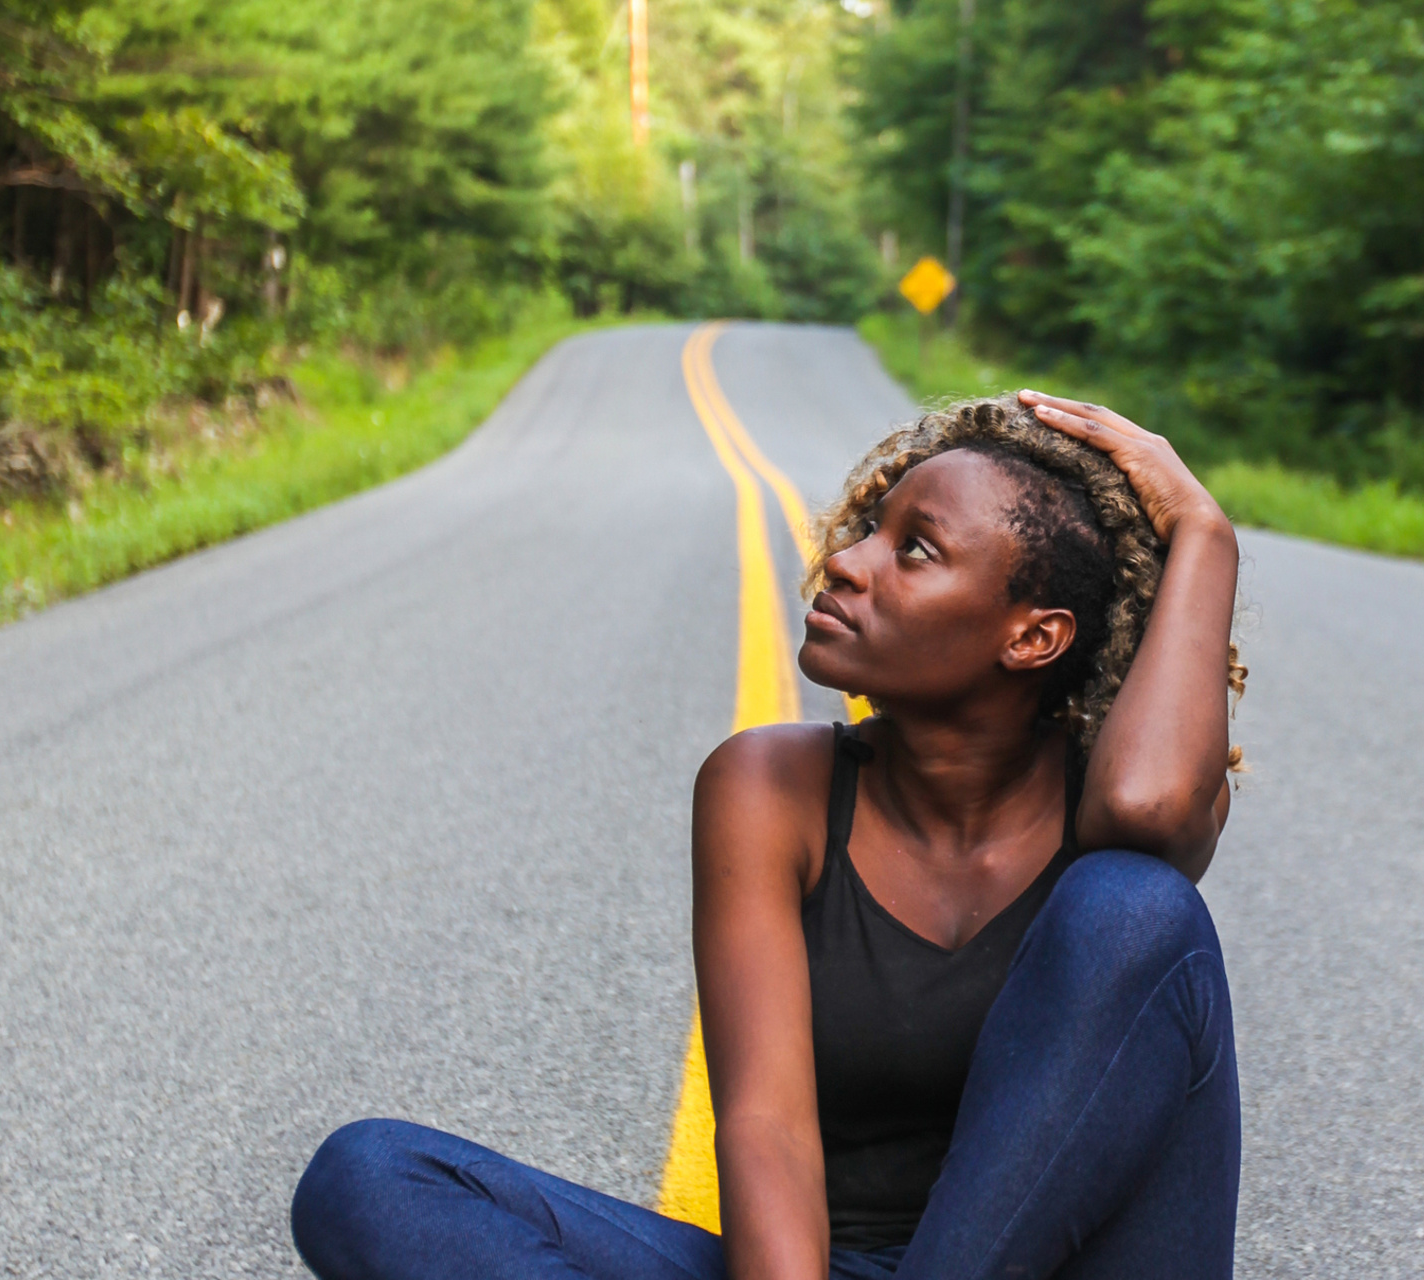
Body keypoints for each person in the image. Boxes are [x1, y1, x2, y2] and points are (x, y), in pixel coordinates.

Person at [290, 389, 1247, 1280]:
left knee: (1133, 906)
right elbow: (766, 1128)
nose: (845, 559)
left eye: (915, 552)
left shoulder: (1125, 808)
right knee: (371, 1177)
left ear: (1033, 638)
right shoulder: (770, 787)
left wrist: (1204, 534)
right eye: (873, 528)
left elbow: (1148, 809)